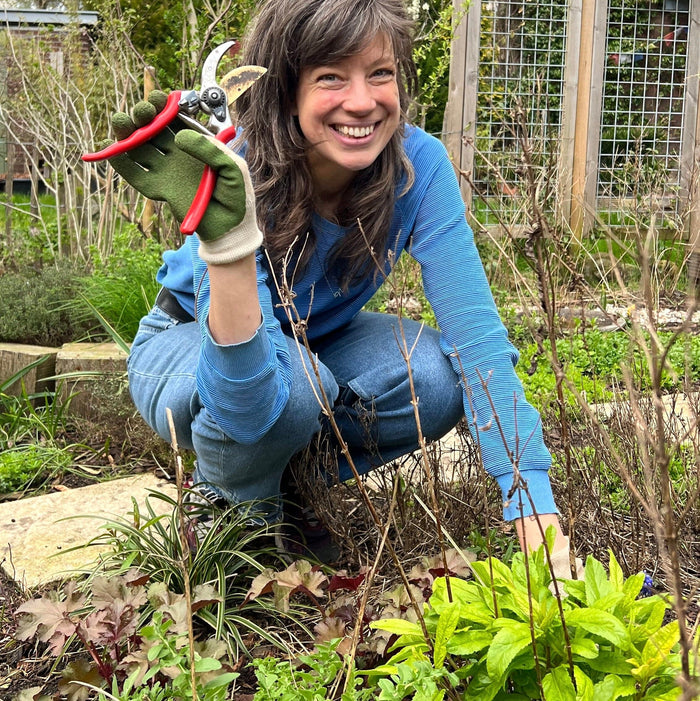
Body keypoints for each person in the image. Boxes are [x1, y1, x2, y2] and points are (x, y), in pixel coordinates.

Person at [107, 0, 579, 571]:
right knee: (293, 389)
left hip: (316, 341)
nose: (362, 101)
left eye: (380, 73)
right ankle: (232, 517)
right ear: (286, 89)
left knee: (433, 377)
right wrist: (229, 245)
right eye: (331, 77)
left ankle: (285, 486)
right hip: (190, 345)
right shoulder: (240, 169)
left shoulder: (418, 166)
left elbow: (476, 341)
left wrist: (531, 504)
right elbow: (247, 401)